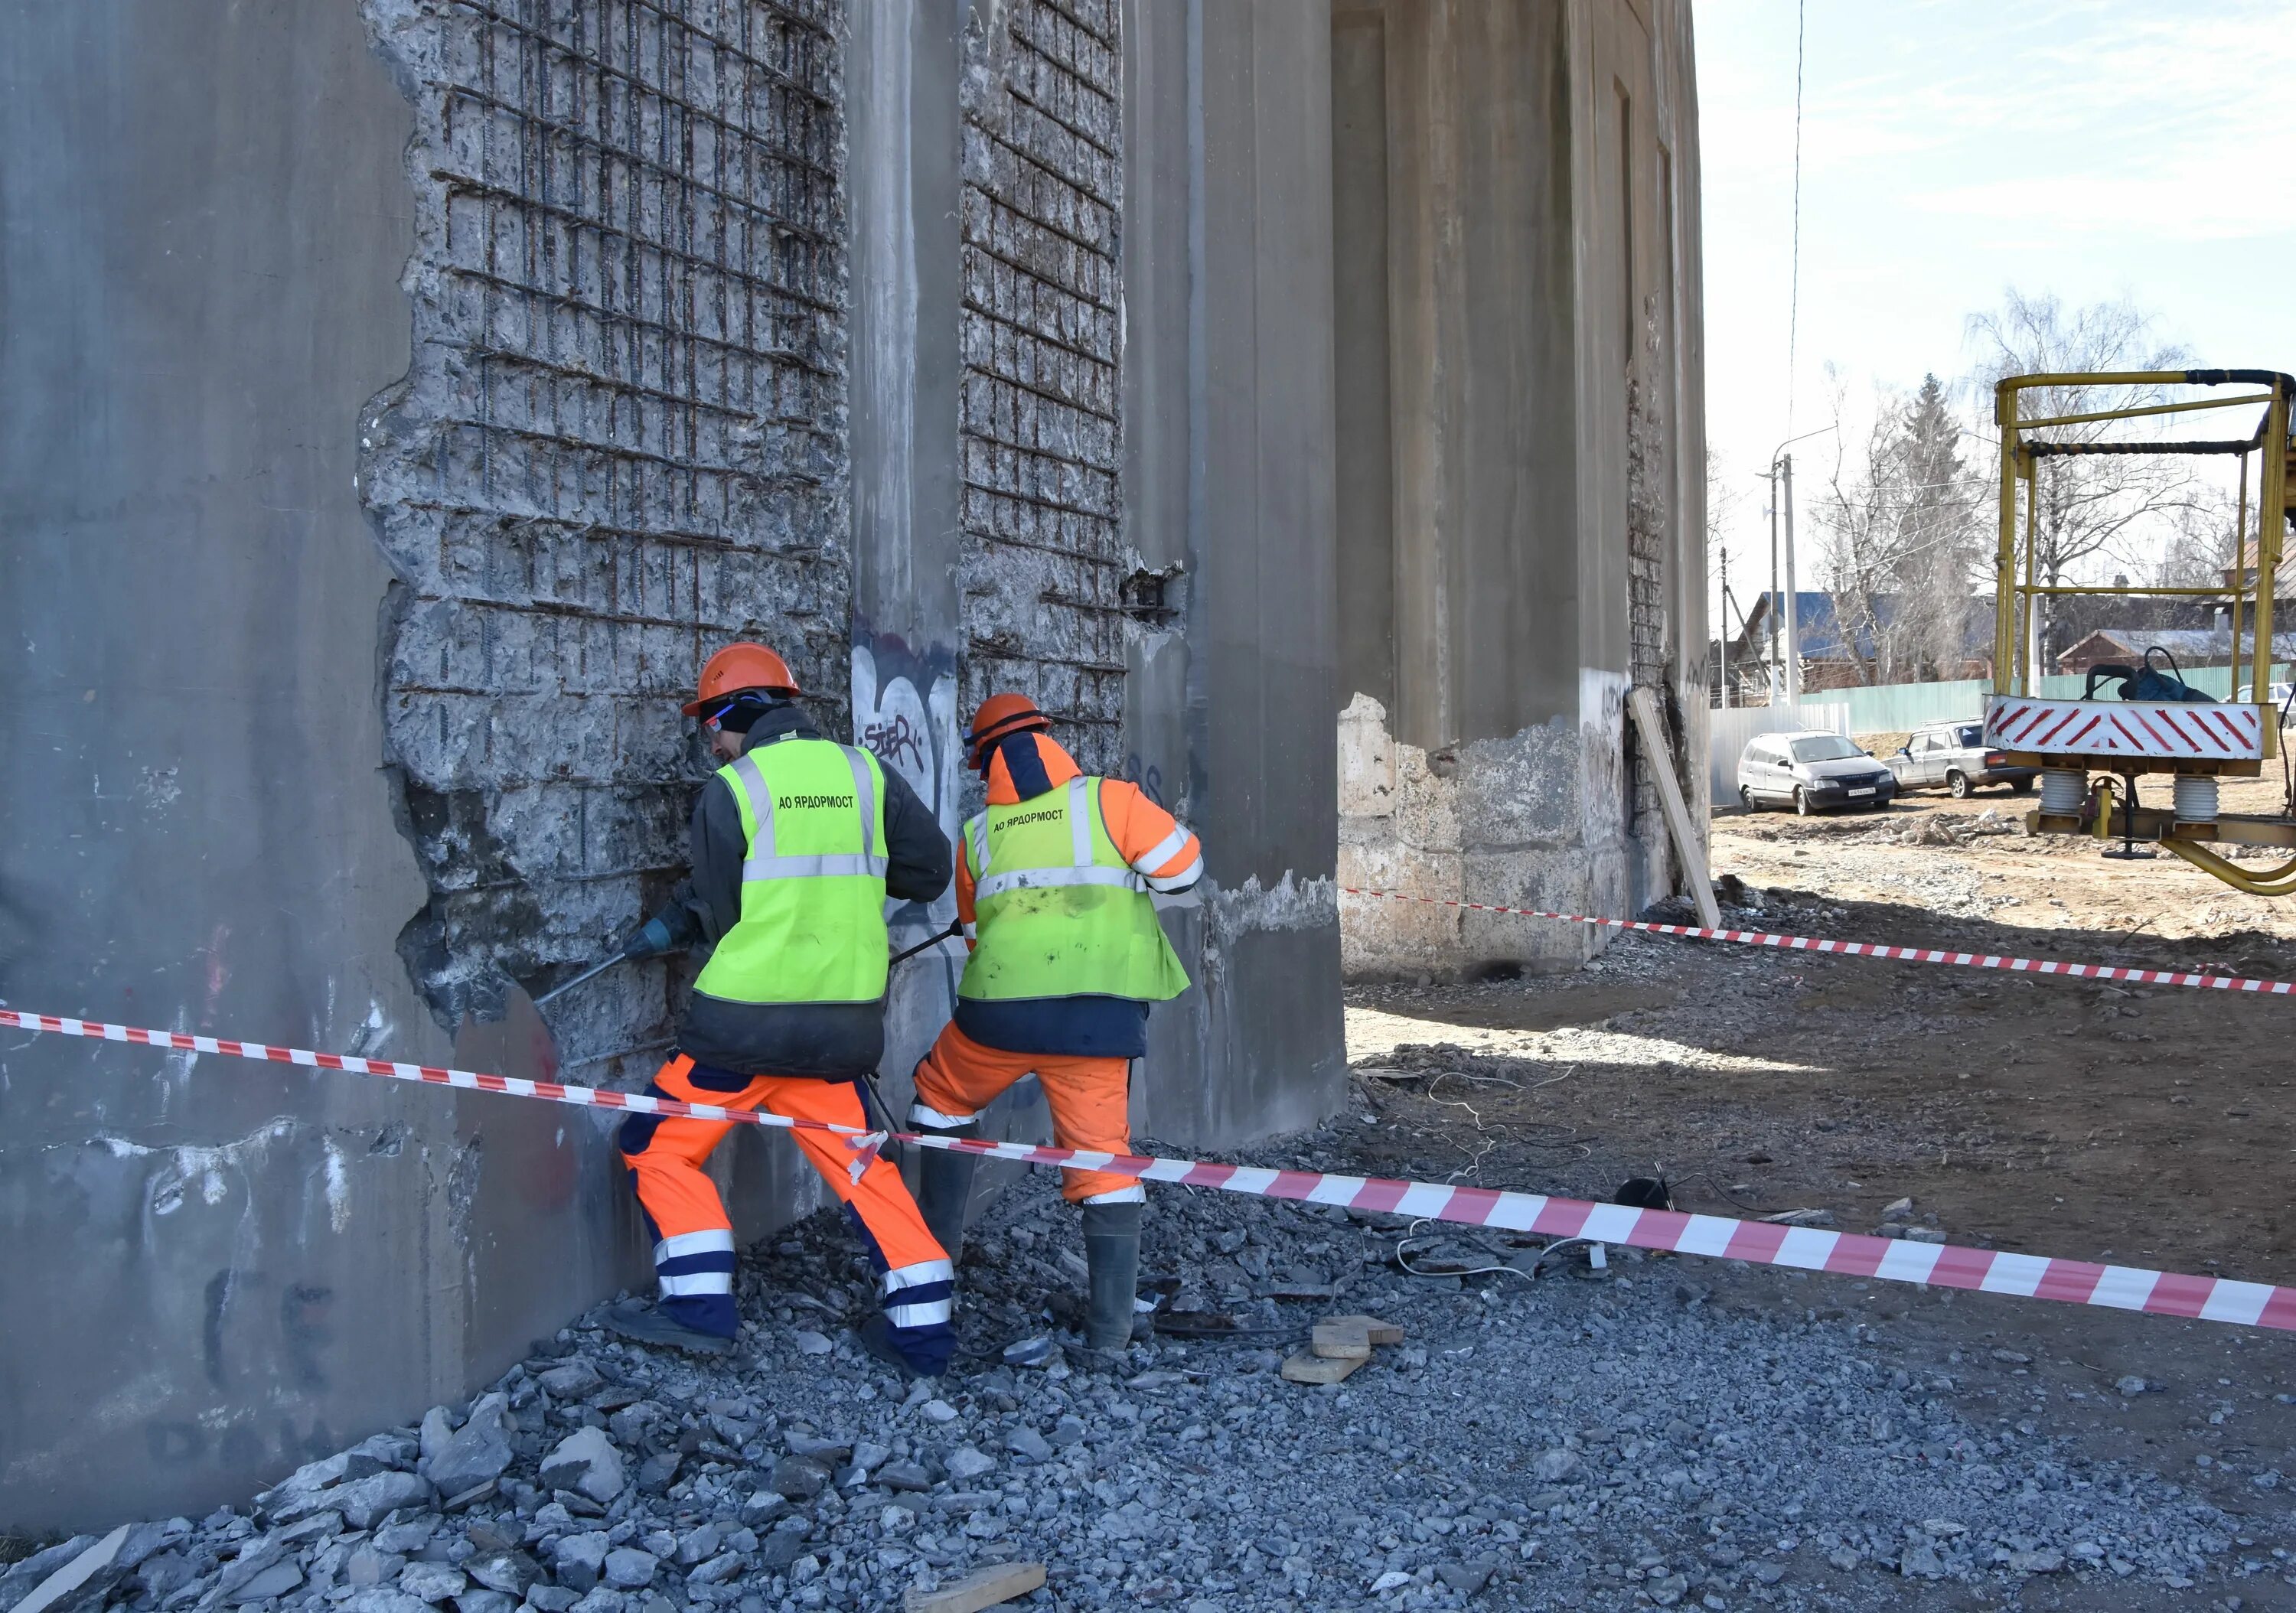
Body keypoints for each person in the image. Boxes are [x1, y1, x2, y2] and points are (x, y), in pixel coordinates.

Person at [605, 641, 957, 1376]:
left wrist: (684, 918)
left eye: (713, 725)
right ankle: (923, 1335)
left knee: (656, 1144)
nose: (714, 741)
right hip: (840, 1032)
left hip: (738, 1031)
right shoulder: (866, 773)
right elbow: (927, 875)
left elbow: (726, 910)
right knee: (865, 1170)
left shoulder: (734, 789)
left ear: (740, 711)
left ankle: (699, 1309)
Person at [906, 694, 1202, 1357]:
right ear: (1049, 740)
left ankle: (934, 1267)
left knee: (940, 1102)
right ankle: (1109, 1336)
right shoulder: (1114, 801)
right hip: (1093, 1025)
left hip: (997, 1021)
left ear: (985, 765)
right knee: (1103, 1164)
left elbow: (978, 934)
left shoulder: (979, 835)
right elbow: (1184, 874)